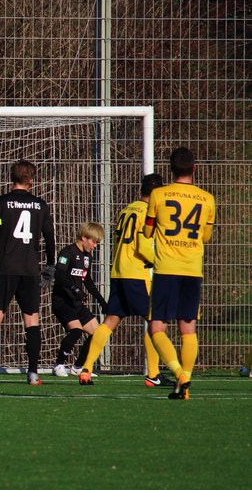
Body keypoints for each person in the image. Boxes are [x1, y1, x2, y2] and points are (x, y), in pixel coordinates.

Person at [78, 174, 171, 387]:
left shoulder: (126, 210)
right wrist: (161, 261)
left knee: (110, 321)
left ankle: (86, 368)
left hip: (119, 272)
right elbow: (143, 246)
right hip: (137, 274)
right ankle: (154, 374)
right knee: (156, 321)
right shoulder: (148, 213)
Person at [0, 159, 55, 386]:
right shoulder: (41, 205)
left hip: (5, 270)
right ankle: (33, 374)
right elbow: (50, 237)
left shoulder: (1, 202)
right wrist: (50, 265)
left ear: (12, 178)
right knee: (32, 320)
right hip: (30, 271)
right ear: (31, 181)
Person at [144, 147, 216, 400]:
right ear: (194, 168)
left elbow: (148, 231)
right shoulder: (207, 198)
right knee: (188, 329)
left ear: (170, 169)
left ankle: (179, 374)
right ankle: (184, 383)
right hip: (192, 270)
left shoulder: (159, 194)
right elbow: (205, 236)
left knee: (157, 328)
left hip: (166, 268)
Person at [50, 223, 106, 380]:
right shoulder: (67, 252)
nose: (94, 246)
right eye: (93, 241)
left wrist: (101, 301)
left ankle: (78, 367)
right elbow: (59, 274)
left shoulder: (88, 257)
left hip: (76, 303)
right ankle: (58, 365)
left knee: (98, 333)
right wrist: (74, 288)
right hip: (62, 301)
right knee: (76, 331)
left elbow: (86, 280)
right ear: (83, 237)